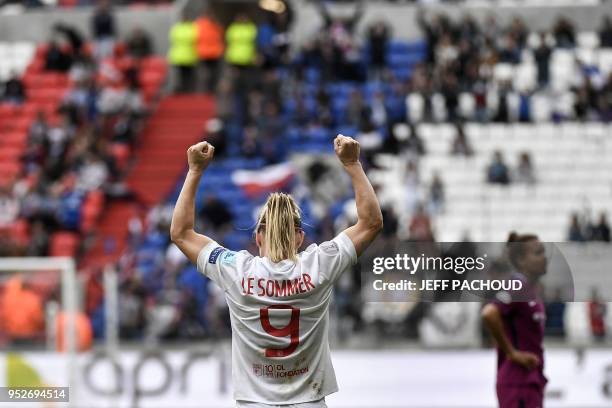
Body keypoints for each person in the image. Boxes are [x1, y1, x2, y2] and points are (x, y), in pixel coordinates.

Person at [170, 135, 382, 407]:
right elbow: (371, 223)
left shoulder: (236, 269)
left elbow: (181, 233)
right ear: (299, 237)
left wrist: (195, 170)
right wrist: (352, 164)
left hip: (253, 402)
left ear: (258, 238)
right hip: (310, 401)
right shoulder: (320, 263)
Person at [481, 232, 548, 408]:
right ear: (521, 260)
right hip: (518, 381)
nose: (544, 258)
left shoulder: (530, 289)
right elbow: (489, 313)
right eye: (538, 253)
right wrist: (512, 353)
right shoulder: (517, 284)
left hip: (531, 381)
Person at [195, 10, 224, 93]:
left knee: (210, 74)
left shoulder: (201, 24)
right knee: (208, 74)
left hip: (209, 52)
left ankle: (209, 89)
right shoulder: (203, 24)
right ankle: (207, 90)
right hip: (208, 52)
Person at [168, 14, 198, 93]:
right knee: (180, 75)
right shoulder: (190, 28)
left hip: (188, 55)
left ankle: (188, 90)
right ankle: (182, 89)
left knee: (188, 75)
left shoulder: (191, 27)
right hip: (180, 56)